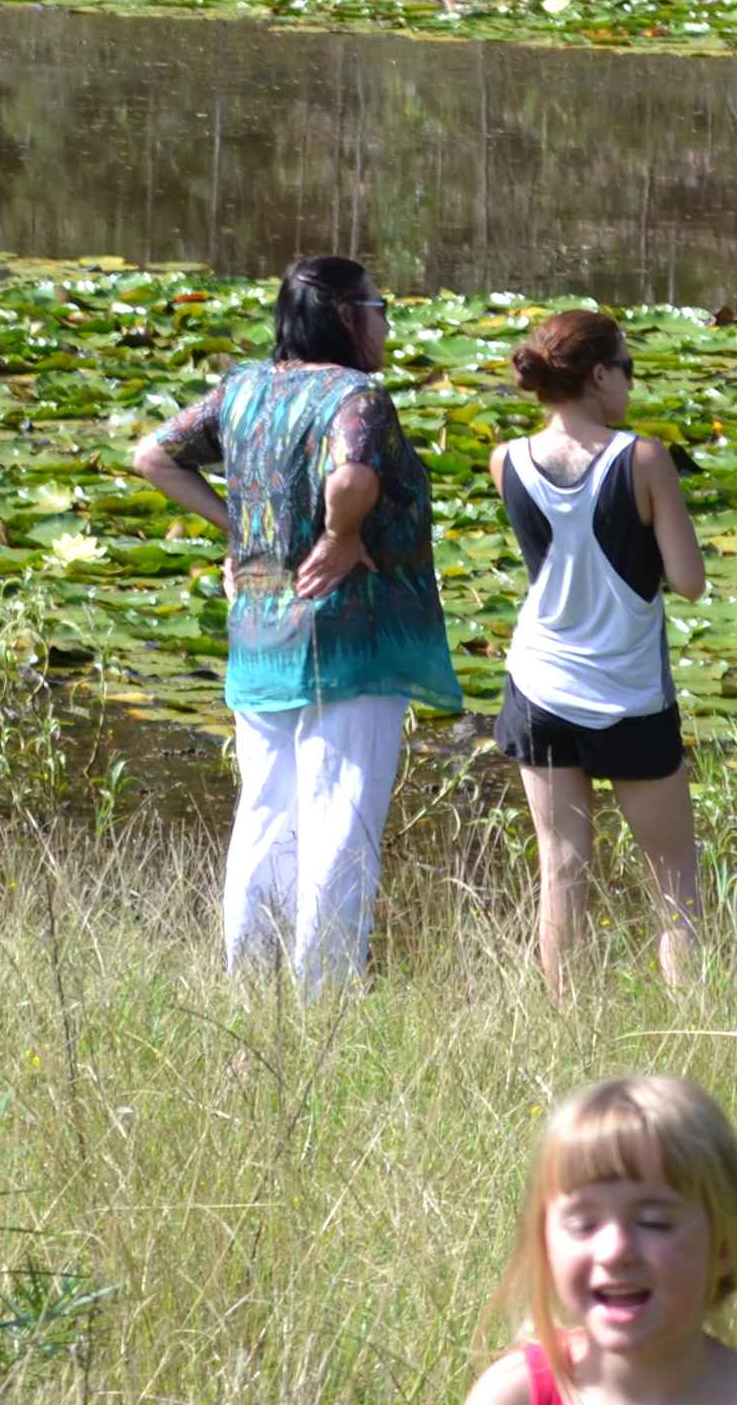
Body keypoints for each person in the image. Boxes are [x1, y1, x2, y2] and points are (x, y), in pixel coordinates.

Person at [126, 254, 461, 987]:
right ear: (346, 314)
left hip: (260, 636)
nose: (385, 321)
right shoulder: (356, 395)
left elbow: (153, 455)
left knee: (267, 813)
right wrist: (341, 538)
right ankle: (324, 994)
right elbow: (352, 476)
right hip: (349, 641)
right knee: (340, 815)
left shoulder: (242, 390)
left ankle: (250, 981)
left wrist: (239, 529)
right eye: (378, 307)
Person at [492, 308, 708, 989]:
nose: (630, 387)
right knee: (674, 879)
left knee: (560, 868)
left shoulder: (508, 460)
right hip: (628, 694)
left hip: (538, 688)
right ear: (597, 375)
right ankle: (695, 1031)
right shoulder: (642, 457)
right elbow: (689, 581)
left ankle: (564, 1029)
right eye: (627, 371)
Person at [463, 1074, 737, 1405]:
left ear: (723, 1246)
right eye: (584, 1224)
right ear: (545, 1247)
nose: (614, 1251)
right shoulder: (514, 1395)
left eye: (653, 1222)